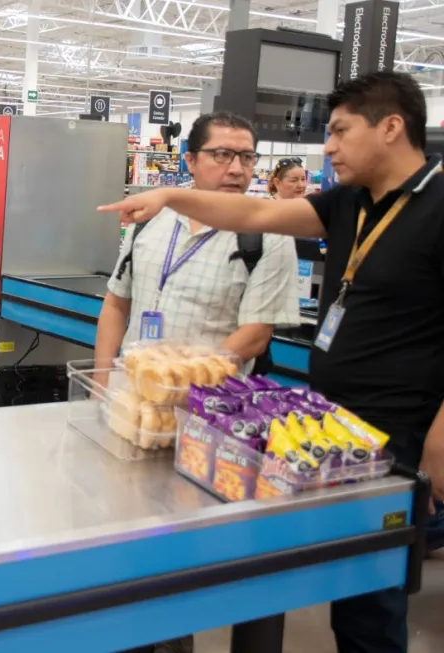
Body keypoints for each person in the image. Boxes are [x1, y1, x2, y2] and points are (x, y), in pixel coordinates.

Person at [99, 71, 444, 653]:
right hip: (333, 429)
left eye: (339, 131)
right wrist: (168, 196)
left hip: (402, 436)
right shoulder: (351, 203)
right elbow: (255, 217)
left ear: (391, 127)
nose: (327, 147)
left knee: (372, 601)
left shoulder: (439, 207)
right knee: (335, 588)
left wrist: (437, 441)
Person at [95, 111, 300, 390]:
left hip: (208, 407)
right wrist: (101, 381)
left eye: (247, 157)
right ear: (190, 161)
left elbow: (255, 335)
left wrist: (179, 387)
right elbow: (117, 303)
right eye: (222, 155)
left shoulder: (270, 235)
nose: (237, 169)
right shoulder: (152, 218)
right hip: (130, 394)